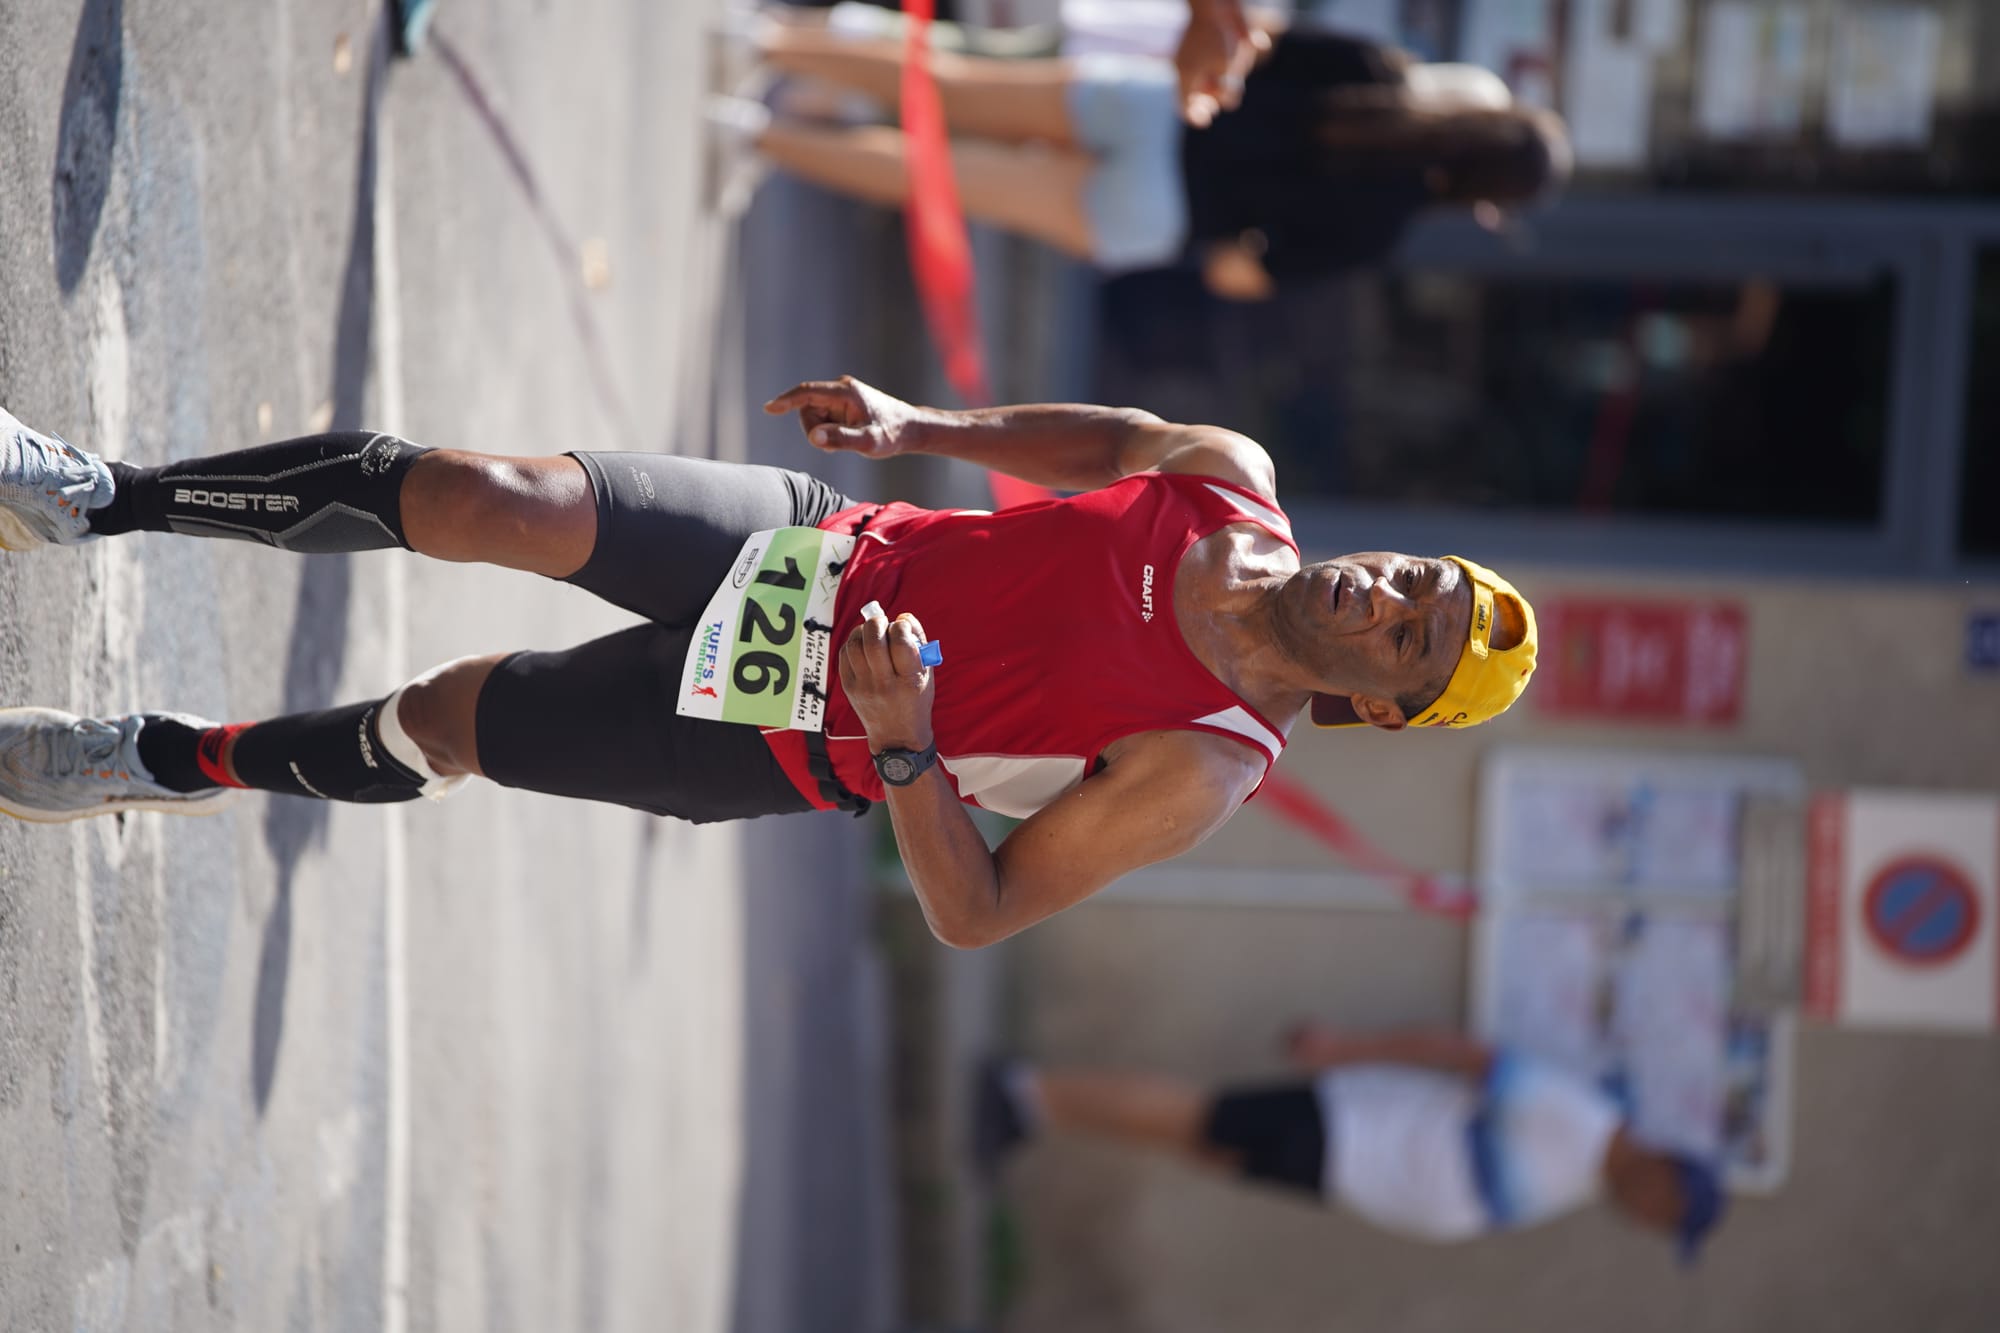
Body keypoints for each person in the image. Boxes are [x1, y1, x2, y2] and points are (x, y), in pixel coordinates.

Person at [0, 378, 1535, 947]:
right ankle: (90, 498)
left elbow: (978, 913)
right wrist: (924, 429)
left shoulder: (1201, 765)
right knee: (484, 497)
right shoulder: (1232, 478)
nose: (1386, 594)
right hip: (816, 547)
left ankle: (152, 758)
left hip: (784, 736)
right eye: (1420, 579)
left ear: (1380, 702)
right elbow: (1111, 443)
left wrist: (911, 743)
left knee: (447, 719)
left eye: (1410, 635)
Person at [714, 0, 1570, 293]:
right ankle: (754, 133)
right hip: (1160, 212)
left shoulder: (1372, 68)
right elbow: (1241, 272)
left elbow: (1251, 40)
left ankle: (766, 41)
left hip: (1162, 109)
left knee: (943, 81)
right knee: (936, 178)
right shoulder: (1382, 230)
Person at [977, 1023, 1728, 1258]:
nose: (1648, 1222)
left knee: (1202, 1141)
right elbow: (1466, 1054)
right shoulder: (1584, 1121)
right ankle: (1027, 1094)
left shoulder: (1592, 1169)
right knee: (1197, 1119)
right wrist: (1343, 1048)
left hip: (1353, 1169)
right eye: (1665, 1214)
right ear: (1664, 1174)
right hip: (1353, 1129)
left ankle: (1041, 1110)